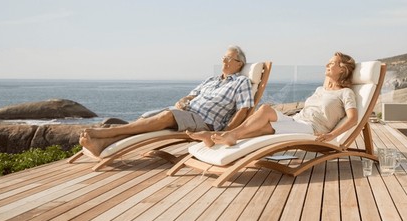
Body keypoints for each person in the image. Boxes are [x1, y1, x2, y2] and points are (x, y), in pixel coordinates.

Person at [79, 45, 253, 157]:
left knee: (167, 116)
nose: (224, 60)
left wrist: (227, 132)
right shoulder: (211, 79)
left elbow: (243, 109)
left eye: (229, 58)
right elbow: (191, 95)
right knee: (147, 119)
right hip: (187, 112)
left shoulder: (241, 82)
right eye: (223, 57)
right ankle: (103, 145)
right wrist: (183, 101)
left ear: (239, 64)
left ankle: (106, 133)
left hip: (204, 122)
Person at [188, 52, 357, 148]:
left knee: (266, 113)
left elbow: (353, 119)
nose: (327, 65)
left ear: (342, 69)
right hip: (296, 121)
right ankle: (217, 136)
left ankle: (222, 135)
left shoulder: (346, 93)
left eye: (332, 63)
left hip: (313, 129)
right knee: (265, 118)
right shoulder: (321, 89)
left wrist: (331, 135)